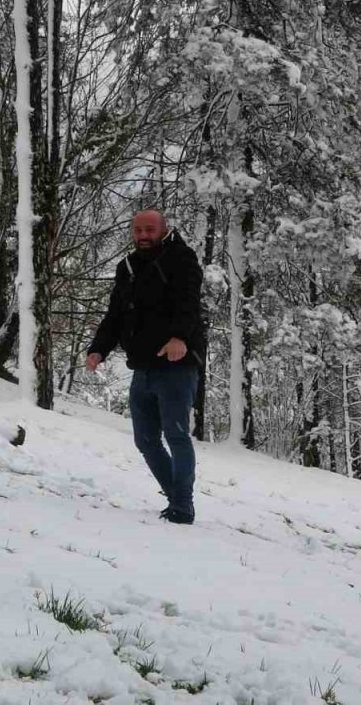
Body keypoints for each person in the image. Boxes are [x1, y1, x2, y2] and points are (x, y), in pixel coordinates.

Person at [86, 210, 206, 524]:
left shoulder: (182, 258)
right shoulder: (126, 267)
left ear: (163, 229)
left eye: (149, 229)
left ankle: (182, 506)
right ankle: (176, 497)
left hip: (176, 365)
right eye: (137, 230)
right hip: (143, 367)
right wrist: (99, 349)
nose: (143, 235)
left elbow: (189, 303)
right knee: (145, 440)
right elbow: (115, 315)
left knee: (176, 435)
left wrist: (180, 336)